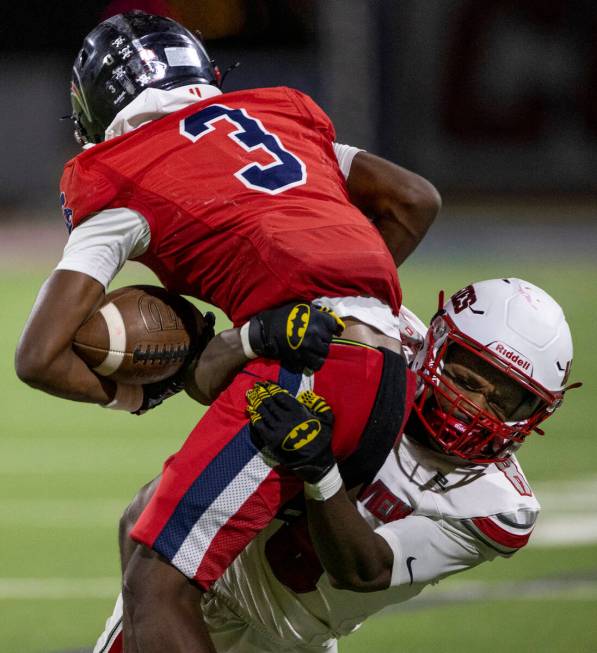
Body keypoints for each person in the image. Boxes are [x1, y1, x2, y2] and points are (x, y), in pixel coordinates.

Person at [14, 9, 440, 644]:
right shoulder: (280, 114)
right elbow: (414, 199)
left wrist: (141, 391)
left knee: (157, 582)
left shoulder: (118, 170)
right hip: (392, 366)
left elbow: (38, 355)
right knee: (147, 531)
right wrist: (339, 306)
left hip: (306, 376)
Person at [95, 278, 578, 653]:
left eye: (506, 401)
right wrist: (250, 338)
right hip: (206, 579)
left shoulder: (500, 508)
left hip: (289, 640)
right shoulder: (367, 339)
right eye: (466, 378)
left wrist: (321, 472)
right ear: (435, 344)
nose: (473, 407)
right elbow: (206, 379)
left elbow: (364, 570)